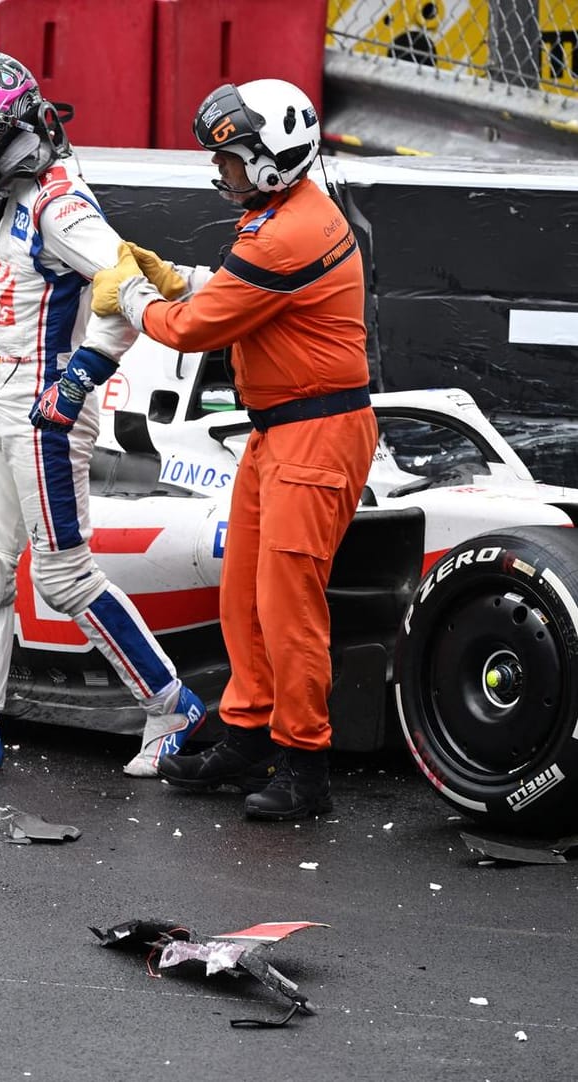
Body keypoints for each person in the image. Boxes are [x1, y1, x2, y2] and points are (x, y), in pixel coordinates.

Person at [0, 37, 207, 778]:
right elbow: (15, 320)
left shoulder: (62, 207)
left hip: (44, 416)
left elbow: (127, 288)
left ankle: (171, 705)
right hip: (6, 406)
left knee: (63, 577)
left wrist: (76, 383)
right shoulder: (24, 200)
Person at [89, 78, 377, 820]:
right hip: (282, 432)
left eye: (231, 160)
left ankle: (303, 766)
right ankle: (248, 732)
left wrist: (128, 294)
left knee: (287, 608)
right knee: (244, 594)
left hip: (314, 435)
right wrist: (169, 278)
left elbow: (191, 330)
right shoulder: (282, 215)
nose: (221, 173)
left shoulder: (285, 231)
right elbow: (231, 292)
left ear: (272, 160)